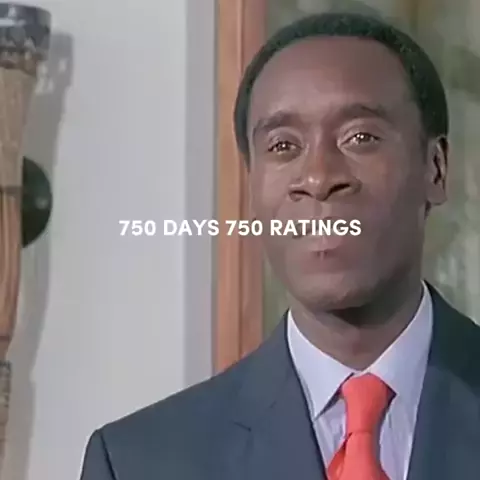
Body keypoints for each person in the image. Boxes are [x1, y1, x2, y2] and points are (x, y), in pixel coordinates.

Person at [79, 12, 480, 480]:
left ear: (435, 167)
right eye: (283, 146)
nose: (318, 177)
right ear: (252, 186)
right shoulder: (139, 462)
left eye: (360, 137)